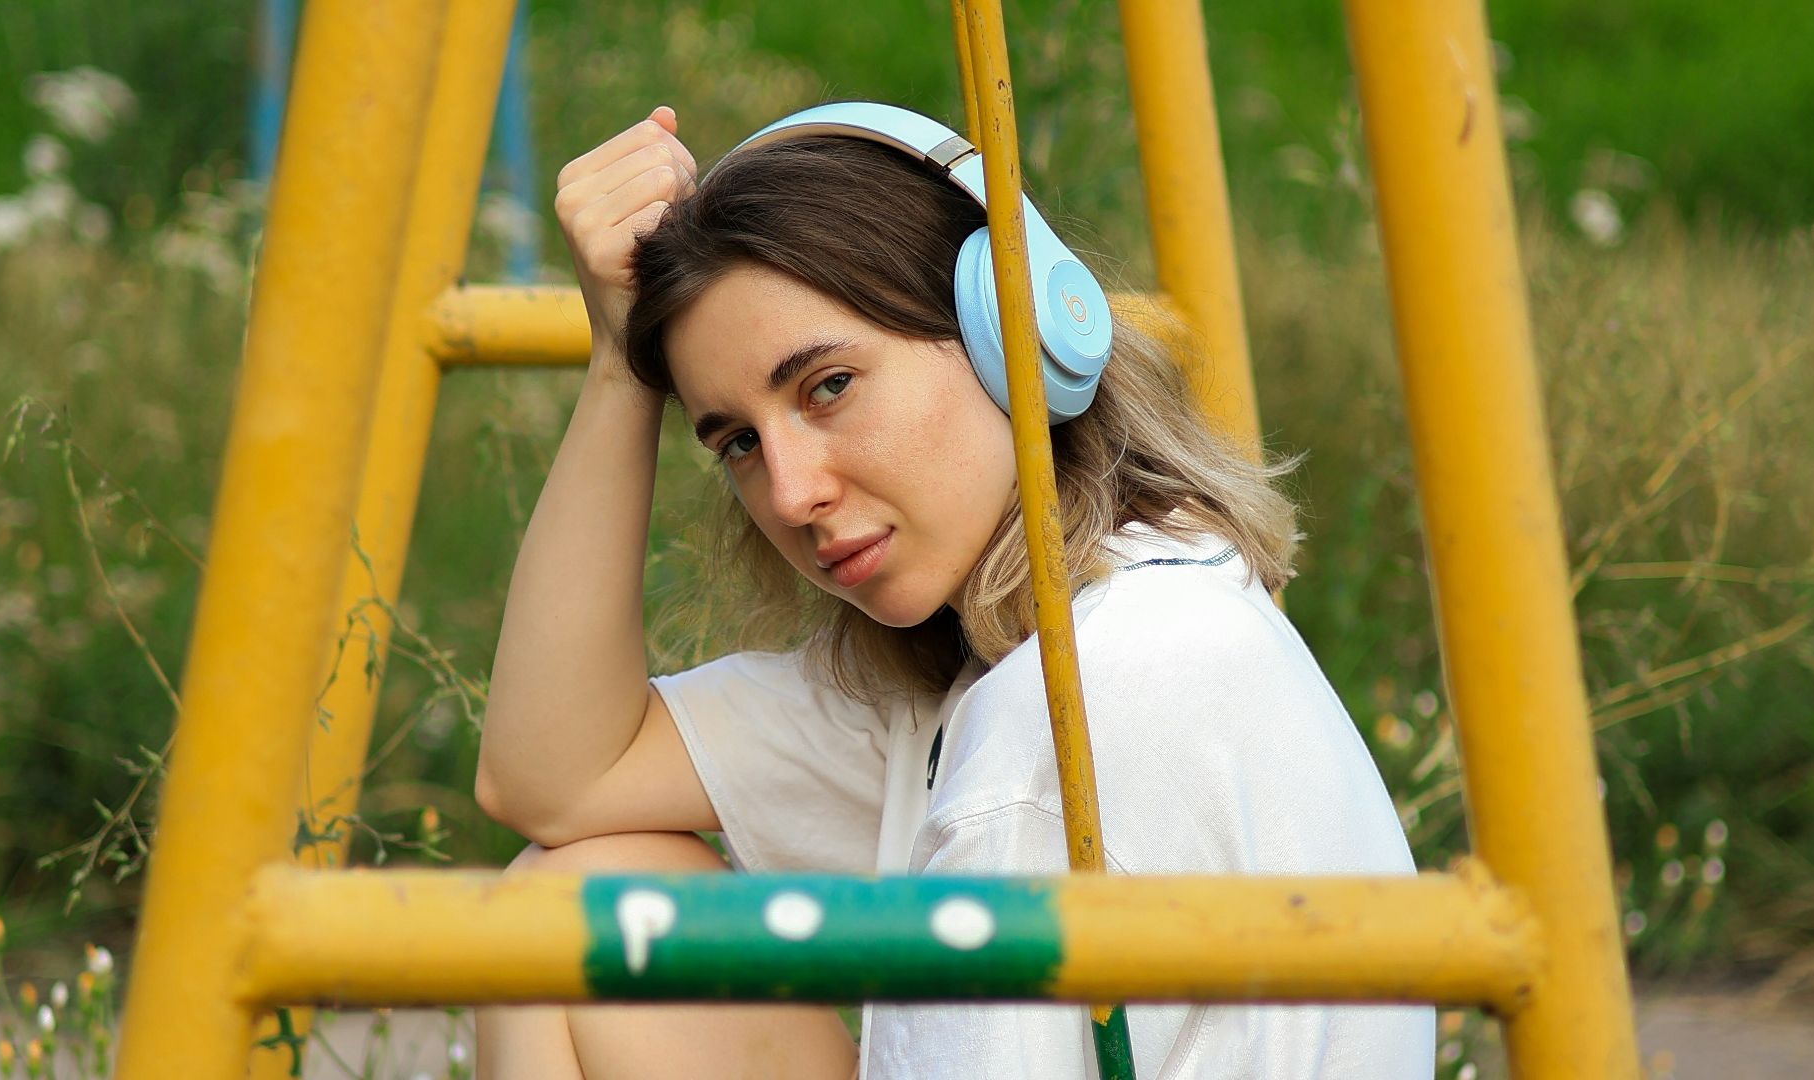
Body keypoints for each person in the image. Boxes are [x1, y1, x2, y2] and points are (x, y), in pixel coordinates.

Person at [472, 100, 1435, 1080]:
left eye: (829, 387)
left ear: (1010, 333)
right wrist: (620, 370)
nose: (792, 494)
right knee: (575, 905)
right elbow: (558, 777)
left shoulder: (1065, 713)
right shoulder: (1063, 631)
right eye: (740, 443)